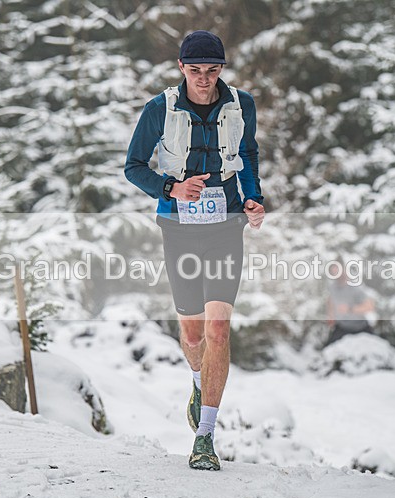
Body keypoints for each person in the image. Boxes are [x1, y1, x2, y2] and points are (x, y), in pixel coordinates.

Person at [124, 30, 265, 471]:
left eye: (212, 70)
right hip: (179, 227)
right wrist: (172, 187)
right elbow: (133, 167)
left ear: (222, 69)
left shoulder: (241, 105)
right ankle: (198, 380)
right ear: (181, 68)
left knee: (218, 329)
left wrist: (253, 198)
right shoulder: (160, 109)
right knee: (192, 335)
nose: (204, 79)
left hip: (225, 225)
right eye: (196, 70)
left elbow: (247, 154)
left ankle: (205, 435)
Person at [324, 265, 376, 347]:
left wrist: (350, 309)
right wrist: (331, 316)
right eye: (334, 273)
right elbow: (330, 301)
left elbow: (370, 306)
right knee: (328, 349)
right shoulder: (333, 287)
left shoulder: (356, 288)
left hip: (360, 327)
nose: (338, 275)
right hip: (342, 327)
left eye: (339, 272)